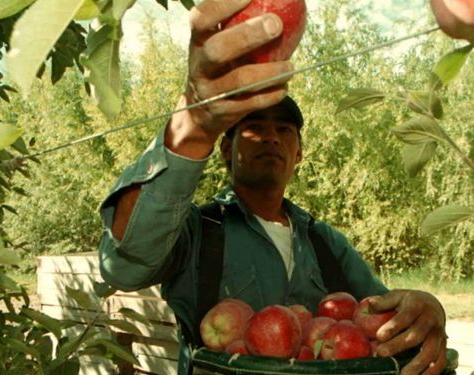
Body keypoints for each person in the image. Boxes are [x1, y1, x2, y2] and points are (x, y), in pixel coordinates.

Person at [98, 0, 457, 373]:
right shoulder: (198, 231)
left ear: (298, 153)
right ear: (225, 148)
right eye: (254, 127)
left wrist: (425, 307)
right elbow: (124, 267)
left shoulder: (325, 242)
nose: (270, 137)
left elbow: (383, 316)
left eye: (283, 130)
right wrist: (193, 126)